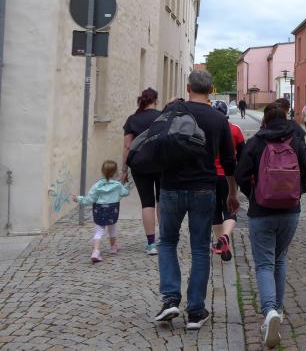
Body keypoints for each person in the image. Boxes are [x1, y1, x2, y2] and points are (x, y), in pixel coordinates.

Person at [235, 102, 306, 348]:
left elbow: (240, 175)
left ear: (264, 120)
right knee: (280, 259)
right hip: (290, 212)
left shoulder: (255, 143)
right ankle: (278, 309)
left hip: (261, 212)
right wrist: (302, 190)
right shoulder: (296, 142)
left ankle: (269, 312)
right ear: (286, 119)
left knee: (264, 264)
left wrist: (253, 194)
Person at [155, 70, 238, 330]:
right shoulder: (218, 119)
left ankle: (170, 299)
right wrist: (232, 193)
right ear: (211, 90)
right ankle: (195, 310)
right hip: (204, 188)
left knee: (167, 242)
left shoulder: (173, 112)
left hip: (170, 186)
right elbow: (229, 162)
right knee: (200, 248)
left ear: (188, 87)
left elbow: (157, 142)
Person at [121, 88, 162, 255]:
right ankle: (164, 239)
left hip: (139, 165)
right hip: (161, 164)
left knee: (147, 202)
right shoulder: (162, 117)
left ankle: (151, 244)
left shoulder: (132, 119)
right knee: (162, 200)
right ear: (156, 101)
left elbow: (127, 147)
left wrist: (124, 170)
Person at [72, 160, 130, 263]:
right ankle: (113, 247)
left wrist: (79, 199)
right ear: (116, 172)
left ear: (102, 172)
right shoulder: (118, 185)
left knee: (99, 231)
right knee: (112, 227)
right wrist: (126, 184)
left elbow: (89, 199)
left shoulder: (97, 186)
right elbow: (125, 193)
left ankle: (96, 251)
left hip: (99, 210)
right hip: (113, 211)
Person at [210, 101, 246, 262]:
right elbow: (243, 155)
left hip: (210, 176)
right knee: (230, 209)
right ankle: (225, 236)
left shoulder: (206, 130)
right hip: (229, 176)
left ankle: (220, 244)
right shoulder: (235, 130)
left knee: (215, 211)